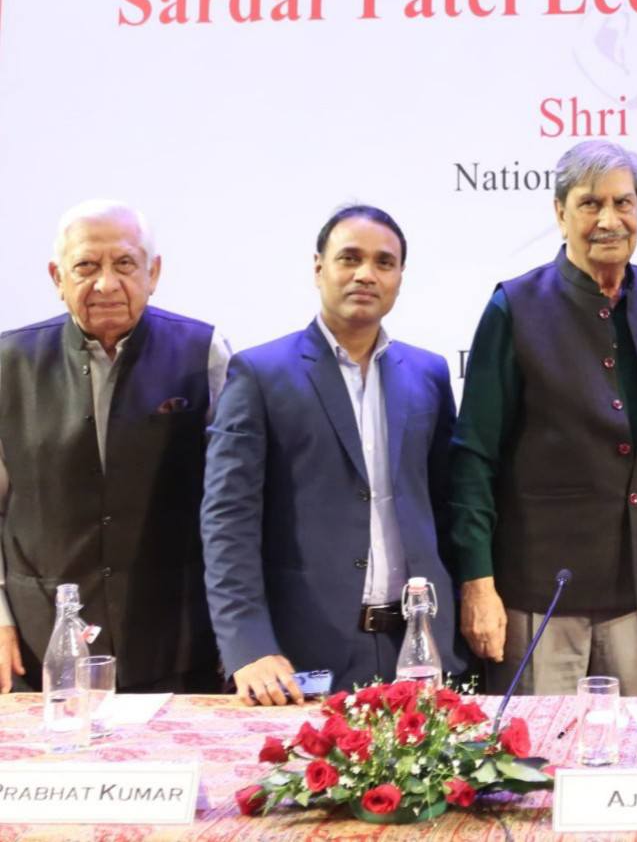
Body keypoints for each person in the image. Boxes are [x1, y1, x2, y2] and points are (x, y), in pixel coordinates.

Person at [449, 140, 637, 696]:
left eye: (623, 203)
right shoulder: (514, 307)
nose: (609, 220)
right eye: (590, 204)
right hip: (541, 590)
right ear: (560, 213)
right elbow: (474, 456)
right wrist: (477, 583)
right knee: (538, 744)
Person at [201, 205, 461, 703]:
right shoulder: (260, 374)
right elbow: (227, 522)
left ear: (400, 277)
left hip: (419, 649)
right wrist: (248, 645)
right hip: (302, 655)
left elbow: (446, 505)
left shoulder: (427, 373)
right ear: (319, 267)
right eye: (350, 258)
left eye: (384, 262)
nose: (366, 274)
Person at [0, 199, 229, 694]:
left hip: (176, 641)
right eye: (86, 266)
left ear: (154, 272)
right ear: (57, 277)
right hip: (39, 647)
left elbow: (235, 505)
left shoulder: (205, 353)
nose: (106, 284)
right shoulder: (9, 363)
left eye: (125, 264)